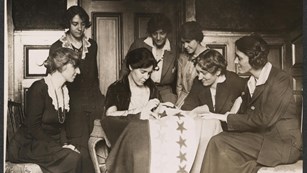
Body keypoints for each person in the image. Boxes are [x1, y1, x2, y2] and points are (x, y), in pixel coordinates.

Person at [200, 34, 302, 173]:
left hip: (284, 144)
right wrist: (231, 111)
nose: (235, 61)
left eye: (239, 57)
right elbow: (247, 115)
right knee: (220, 139)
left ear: (253, 58)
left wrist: (225, 117)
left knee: (219, 142)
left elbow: (264, 119)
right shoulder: (251, 82)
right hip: (263, 138)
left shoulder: (280, 79)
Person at [49, 6, 105, 173]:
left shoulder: (92, 45)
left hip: (93, 103)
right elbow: (53, 80)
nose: (79, 28)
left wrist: (100, 101)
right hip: (71, 105)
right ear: (68, 24)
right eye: (75, 24)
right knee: (78, 148)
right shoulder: (57, 46)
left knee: (95, 146)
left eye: (82, 24)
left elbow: (94, 76)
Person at [8, 47, 81, 173]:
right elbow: (33, 127)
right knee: (73, 158)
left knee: (78, 153)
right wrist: (59, 147)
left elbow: (61, 127)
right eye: (75, 67)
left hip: (48, 145)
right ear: (62, 66)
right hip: (29, 144)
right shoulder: (39, 88)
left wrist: (65, 145)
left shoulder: (64, 91)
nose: (78, 71)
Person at [180, 49, 246, 173]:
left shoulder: (234, 81)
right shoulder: (198, 83)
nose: (199, 77)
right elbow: (188, 107)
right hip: (205, 137)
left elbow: (250, 98)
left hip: (229, 136)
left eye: (204, 73)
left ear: (218, 71)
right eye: (198, 72)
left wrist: (238, 103)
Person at [101, 47, 161, 146]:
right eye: (143, 72)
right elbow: (110, 115)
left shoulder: (151, 87)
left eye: (149, 73)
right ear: (131, 67)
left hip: (151, 137)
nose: (146, 77)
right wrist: (142, 111)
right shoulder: (116, 88)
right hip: (127, 139)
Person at [119, 13, 177, 104]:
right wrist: (123, 88)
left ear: (167, 32)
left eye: (162, 33)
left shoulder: (174, 50)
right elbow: (126, 66)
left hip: (165, 92)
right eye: (155, 33)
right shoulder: (139, 44)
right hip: (141, 89)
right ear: (150, 33)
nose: (158, 38)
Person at [176, 21, 208, 108]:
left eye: (188, 41)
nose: (185, 46)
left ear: (197, 39)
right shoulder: (182, 57)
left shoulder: (210, 56)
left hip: (201, 103)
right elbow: (179, 85)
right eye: (183, 42)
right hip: (182, 101)